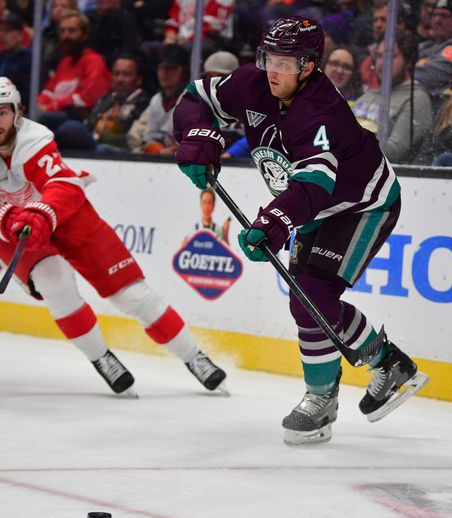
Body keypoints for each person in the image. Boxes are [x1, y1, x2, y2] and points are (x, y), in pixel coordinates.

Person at [173, 16, 429, 445]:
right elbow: (194, 96)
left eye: (286, 63)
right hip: (311, 209)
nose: (273, 70)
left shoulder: (320, 109)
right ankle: (382, 367)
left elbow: (316, 184)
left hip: (361, 206)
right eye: (268, 58)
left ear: (309, 65)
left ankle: (338, 388)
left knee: (313, 291)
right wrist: (197, 136)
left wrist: (274, 222)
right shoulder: (251, 83)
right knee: (305, 299)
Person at [0, 77, 226, 397]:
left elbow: (63, 187)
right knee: (55, 283)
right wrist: (4, 222)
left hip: (69, 218)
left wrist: (39, 212)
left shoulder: (35, 139)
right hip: (17, 231)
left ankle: (195, 357)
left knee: (131, 294)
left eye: (1, 112)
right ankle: (101, 358)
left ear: (18, 113)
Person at [353, 30, 432, 163]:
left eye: (390, 57)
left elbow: (394, 151)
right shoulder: (367, 96)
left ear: (408, 61)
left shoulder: (416, 99)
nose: (382, 63)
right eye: (379, 56)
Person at [127, 44, 189, 155]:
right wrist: (158, 150)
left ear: (183, 72)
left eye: (172, 68)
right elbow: (148, 138)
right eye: (162, 67)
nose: (165, 72)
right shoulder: (156, 100)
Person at [415, 0, 452, 112]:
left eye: (444, 16)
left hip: (437, 114)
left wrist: (401, 73)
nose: (437, 20)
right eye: (435, 15)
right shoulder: (427, 45)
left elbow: (430, 76)